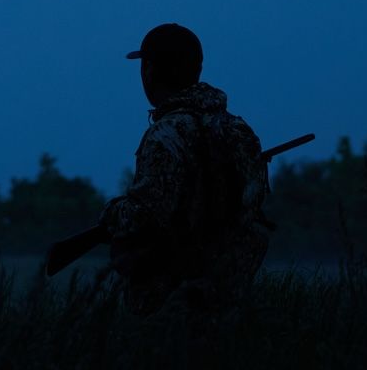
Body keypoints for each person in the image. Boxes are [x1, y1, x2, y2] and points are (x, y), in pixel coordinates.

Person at [100, 22, 272, 315]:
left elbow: (144, 219)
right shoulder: (239, 131)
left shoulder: (166, 135)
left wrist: (113, 213)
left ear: (150, 70)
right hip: (230, 303)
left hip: (168, 309)